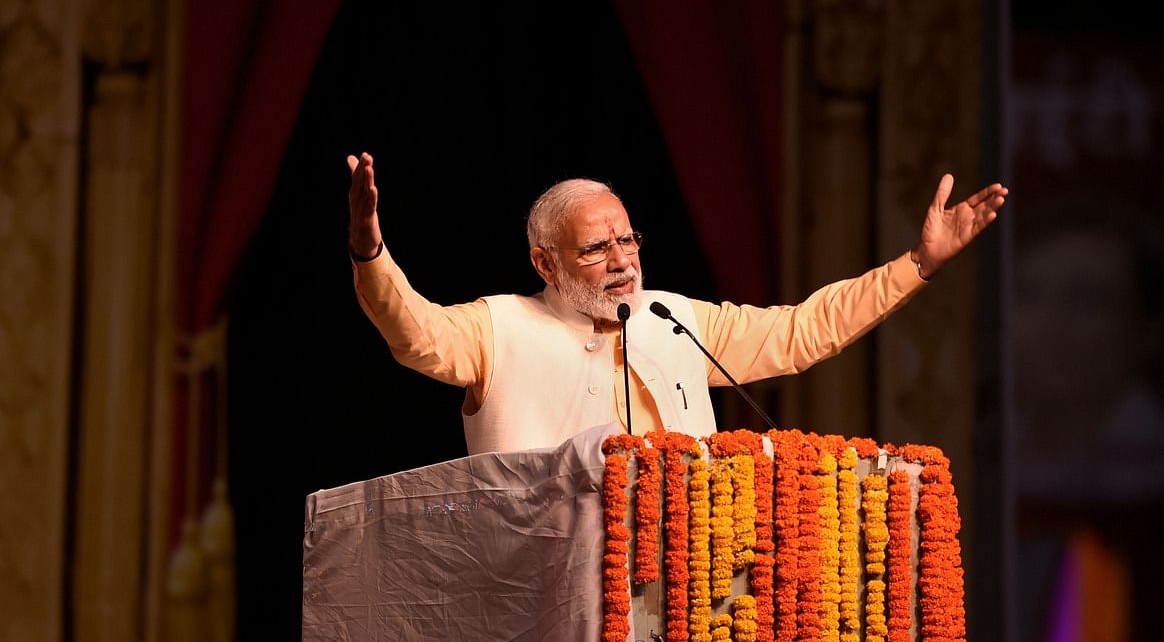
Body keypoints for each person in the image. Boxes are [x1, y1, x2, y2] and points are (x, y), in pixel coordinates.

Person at [346, 152, 1007, 455]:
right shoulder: (499, 327)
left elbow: (806, 331)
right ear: (545, 263)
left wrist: (917, 264)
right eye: (596, 248)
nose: (623, 259)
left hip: (686, 587)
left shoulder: (674, 318)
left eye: (628, 239)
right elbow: (414, 331)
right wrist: (371, 253)